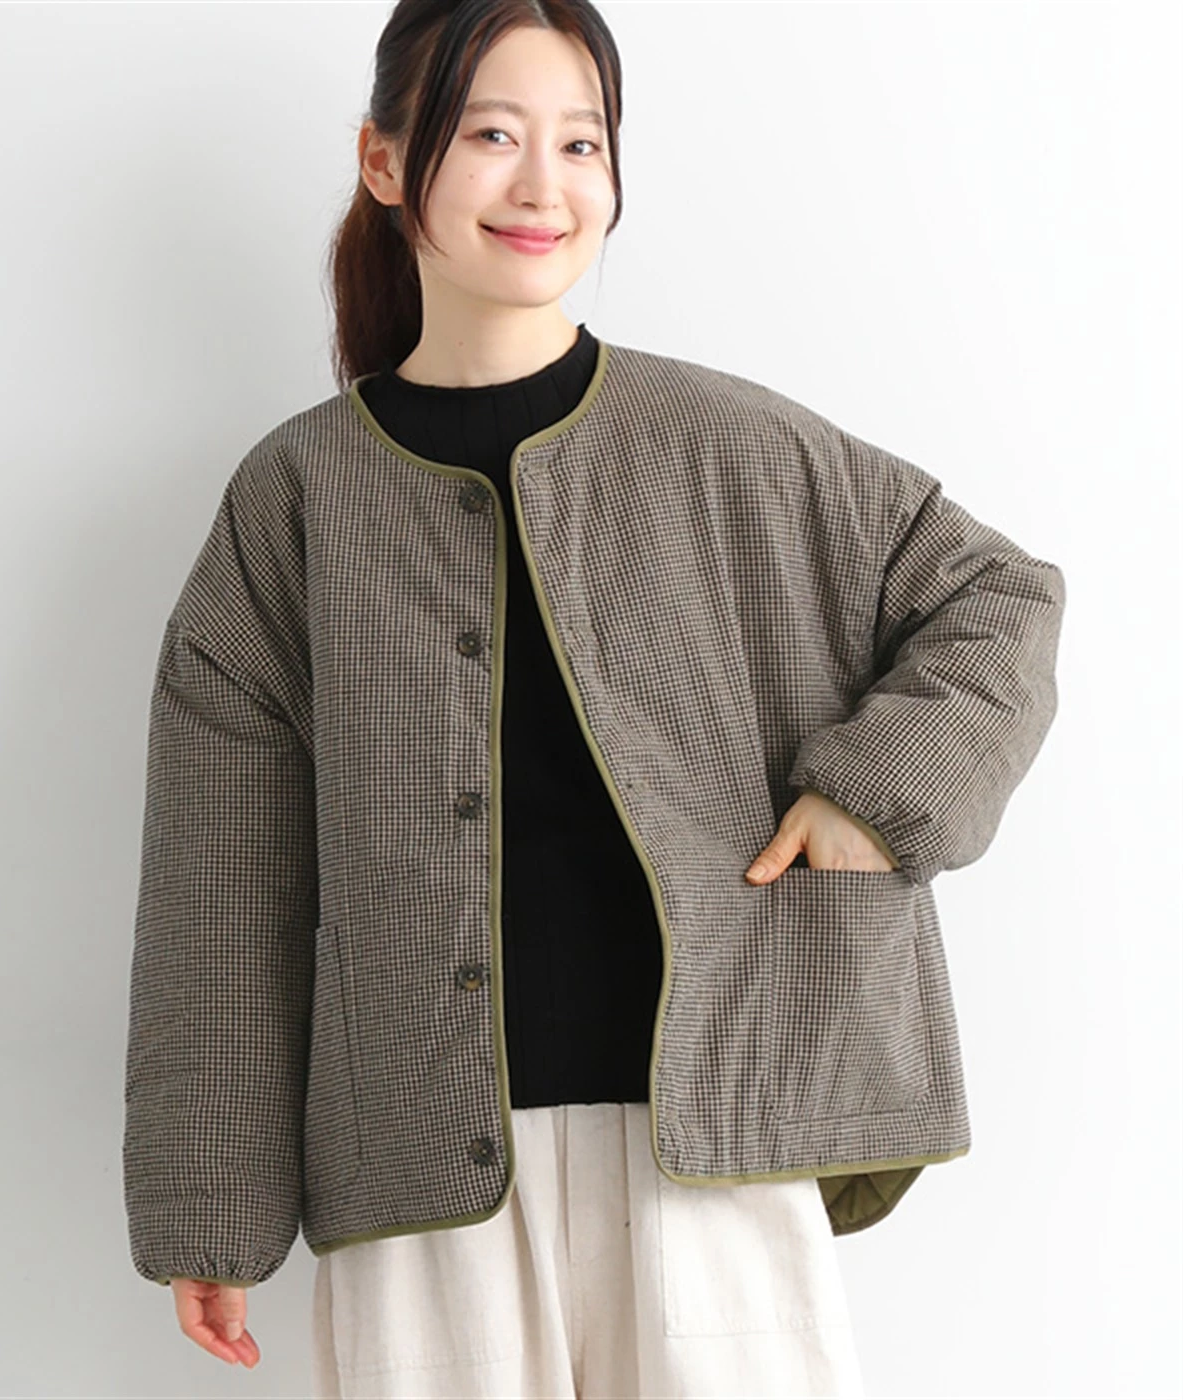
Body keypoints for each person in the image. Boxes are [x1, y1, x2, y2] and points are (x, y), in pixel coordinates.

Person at [121, 2, 1066, 1396]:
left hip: (714, 1151)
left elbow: (997, 596)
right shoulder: (296, 499)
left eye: (581, 142)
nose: (543, 185)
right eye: (491, 135)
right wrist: (212, 1205)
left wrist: (874, 798)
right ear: (384, 162)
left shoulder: (729, 444)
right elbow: (224, 881)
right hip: (416, 1179)